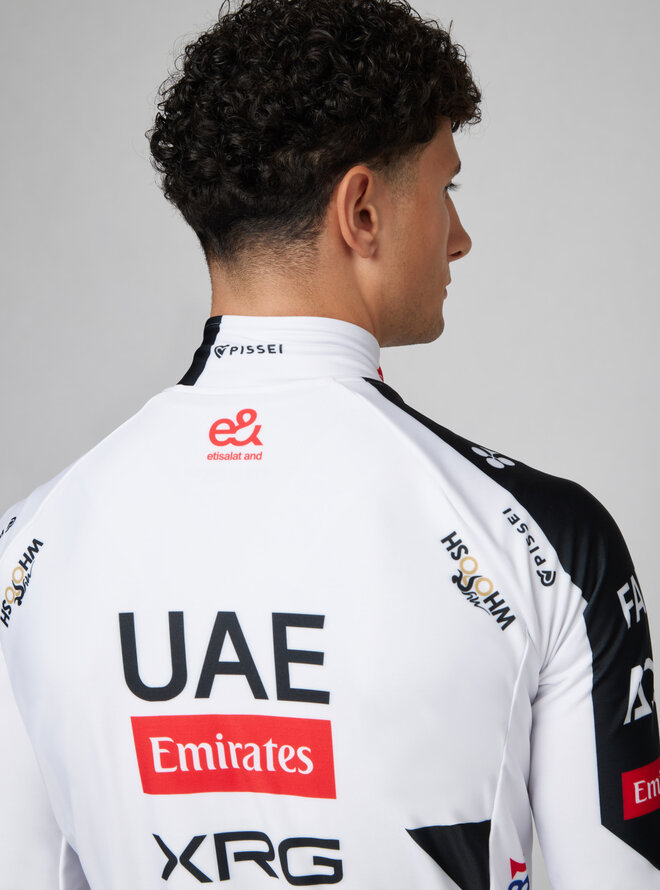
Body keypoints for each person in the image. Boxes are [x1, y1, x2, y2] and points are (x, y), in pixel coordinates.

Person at [1, 0, 658, 887]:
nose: (461, 237)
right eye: (447, 190)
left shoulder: (28, 548)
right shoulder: (547, 539)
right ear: (363, 211)